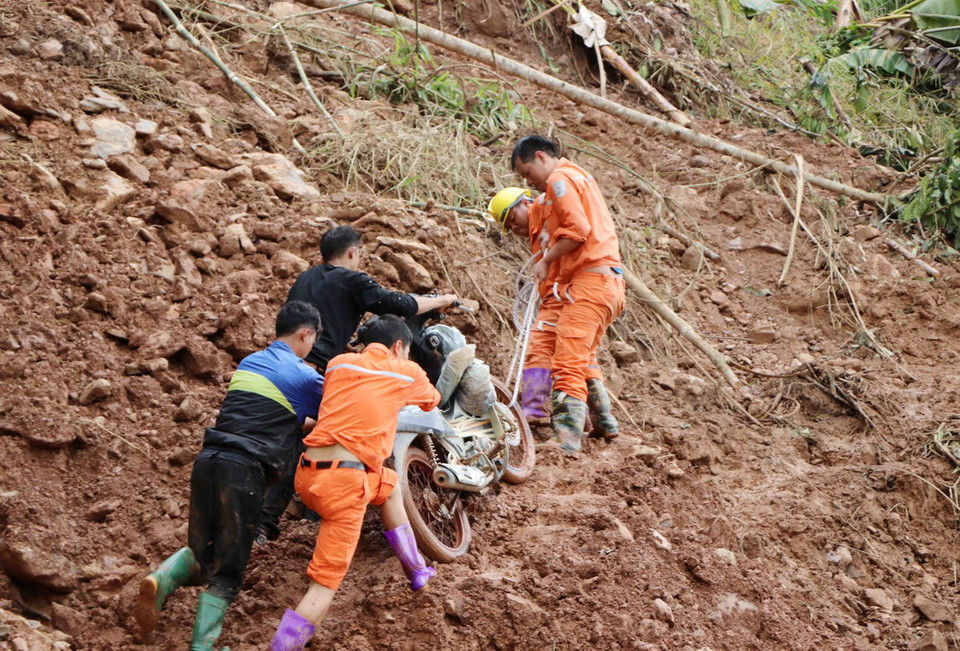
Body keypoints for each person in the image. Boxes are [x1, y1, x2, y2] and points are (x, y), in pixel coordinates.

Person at [133, 301, 324, 650]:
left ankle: (162, 578)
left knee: (203, 554)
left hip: (208, 462)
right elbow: (335, 413)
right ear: (305, 334)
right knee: (228, 574)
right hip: (244, 473)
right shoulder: (304, 377)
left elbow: (273, 413)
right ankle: (202, 647)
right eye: (313, 340)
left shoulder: (251, 363)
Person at [256, 225, 458, 542]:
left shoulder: (305, 279)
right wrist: (440, 300)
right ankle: (294, 517)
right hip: (317, 374)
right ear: (352, 252)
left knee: (294, 435)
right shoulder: (353, 280)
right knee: (325, 431)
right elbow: (398, 304)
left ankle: (275, 518)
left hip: (284, 368)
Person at [268, 314, 440, 651]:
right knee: (323, 586)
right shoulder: (406, 370)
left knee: (388, 486)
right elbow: (431, 401)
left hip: (308, 474)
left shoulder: (338, 363)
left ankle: (417, 571)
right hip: (345, 484)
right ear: (399, 346)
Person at [501, 134, 625, 453]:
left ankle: (567, 438)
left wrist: (545, 260)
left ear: (541, 157)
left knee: (568, 360)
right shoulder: (571, 180)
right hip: (592, 283)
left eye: (527, 172)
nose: (529, 181)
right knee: (575, 354)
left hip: (589, 283)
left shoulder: (559, 180)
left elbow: (578, 231)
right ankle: (601, 420)